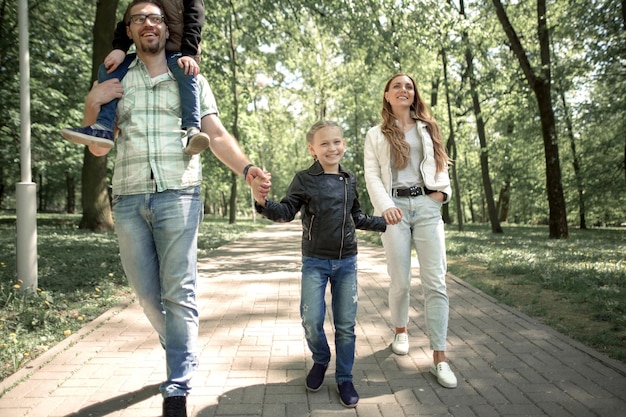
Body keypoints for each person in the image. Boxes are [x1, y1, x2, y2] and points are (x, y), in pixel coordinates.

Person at [76, 1, 267, 416]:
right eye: (139, 19)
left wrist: (247, 169)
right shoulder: (115, 74)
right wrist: (93, 100)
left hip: (179, 193)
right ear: (128, 30)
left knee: (179, 291)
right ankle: (180, 344)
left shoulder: (189, 75)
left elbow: (214, 133)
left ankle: (177, 384)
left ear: (167, 28)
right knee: (146, 296)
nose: (149, 24)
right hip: (127, 197)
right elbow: (95, 146)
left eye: (156, 18)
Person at [251, 120, 387, 408]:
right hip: (315, 261)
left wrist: (385, 222)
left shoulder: (349, 179)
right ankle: (321, 359)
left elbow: (357, 217)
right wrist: (262, 201)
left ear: (344, 144)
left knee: (346, 325)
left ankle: (344, 378)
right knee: (311, 319)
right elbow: (286, 211)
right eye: (324, 143)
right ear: (313, 149)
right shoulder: (304, 179)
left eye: (336, 141)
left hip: (347, 261)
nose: (332, 147)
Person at [363, 73, 457, 389]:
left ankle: (440, 357)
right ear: (387, 96)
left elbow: (441, 165)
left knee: (435, 282)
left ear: (413, 94)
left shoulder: (428, 128)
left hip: (428, 208)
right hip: (394, 212)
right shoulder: (375, 135)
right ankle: (400, 330)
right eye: (397, 86)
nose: (404, 89)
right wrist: (385, 205)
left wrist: (442, 194)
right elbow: (372, 175)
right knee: (400, 281)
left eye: (409, 86)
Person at [61, 0, 210, 156]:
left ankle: (192, 130)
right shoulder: (141, 4)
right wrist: (119, 48)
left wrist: (189, 54)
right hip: (149, 49)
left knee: (186, 70)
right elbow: (128, 22)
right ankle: (104, 126)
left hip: (180, 51)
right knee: (108, 68)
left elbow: (195, 22)